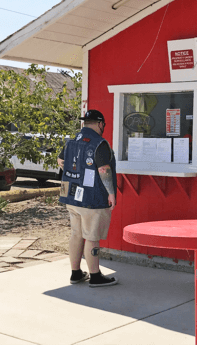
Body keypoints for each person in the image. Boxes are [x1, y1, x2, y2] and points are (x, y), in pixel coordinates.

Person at [57, 109, 119, 287]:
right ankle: (95, 276)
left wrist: (74, 173)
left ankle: (76, 273)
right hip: (92, 198)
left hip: (71, 196)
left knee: (76, 234)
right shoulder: (99, 143)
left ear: (85, 123)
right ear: (100, 124)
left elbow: (60, 161)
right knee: (92, 237)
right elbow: (103, 170)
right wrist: (111, 192)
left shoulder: (71, 142)